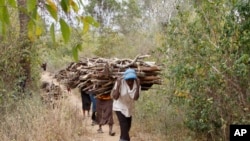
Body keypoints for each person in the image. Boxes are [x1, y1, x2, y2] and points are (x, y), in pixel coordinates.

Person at [111, 68, 141, 141]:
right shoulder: (120, 82)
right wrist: (118, 85)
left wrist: (138, 85)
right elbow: (115, 97)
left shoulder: (136, 84)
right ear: (125, 78)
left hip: (129, 107)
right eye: (128, 79)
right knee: (124, 125)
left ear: (134, 79)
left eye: (132, 79)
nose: (130, 82)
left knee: (127, 127)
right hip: (119, 106)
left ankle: (122, 139)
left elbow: (135, 98)